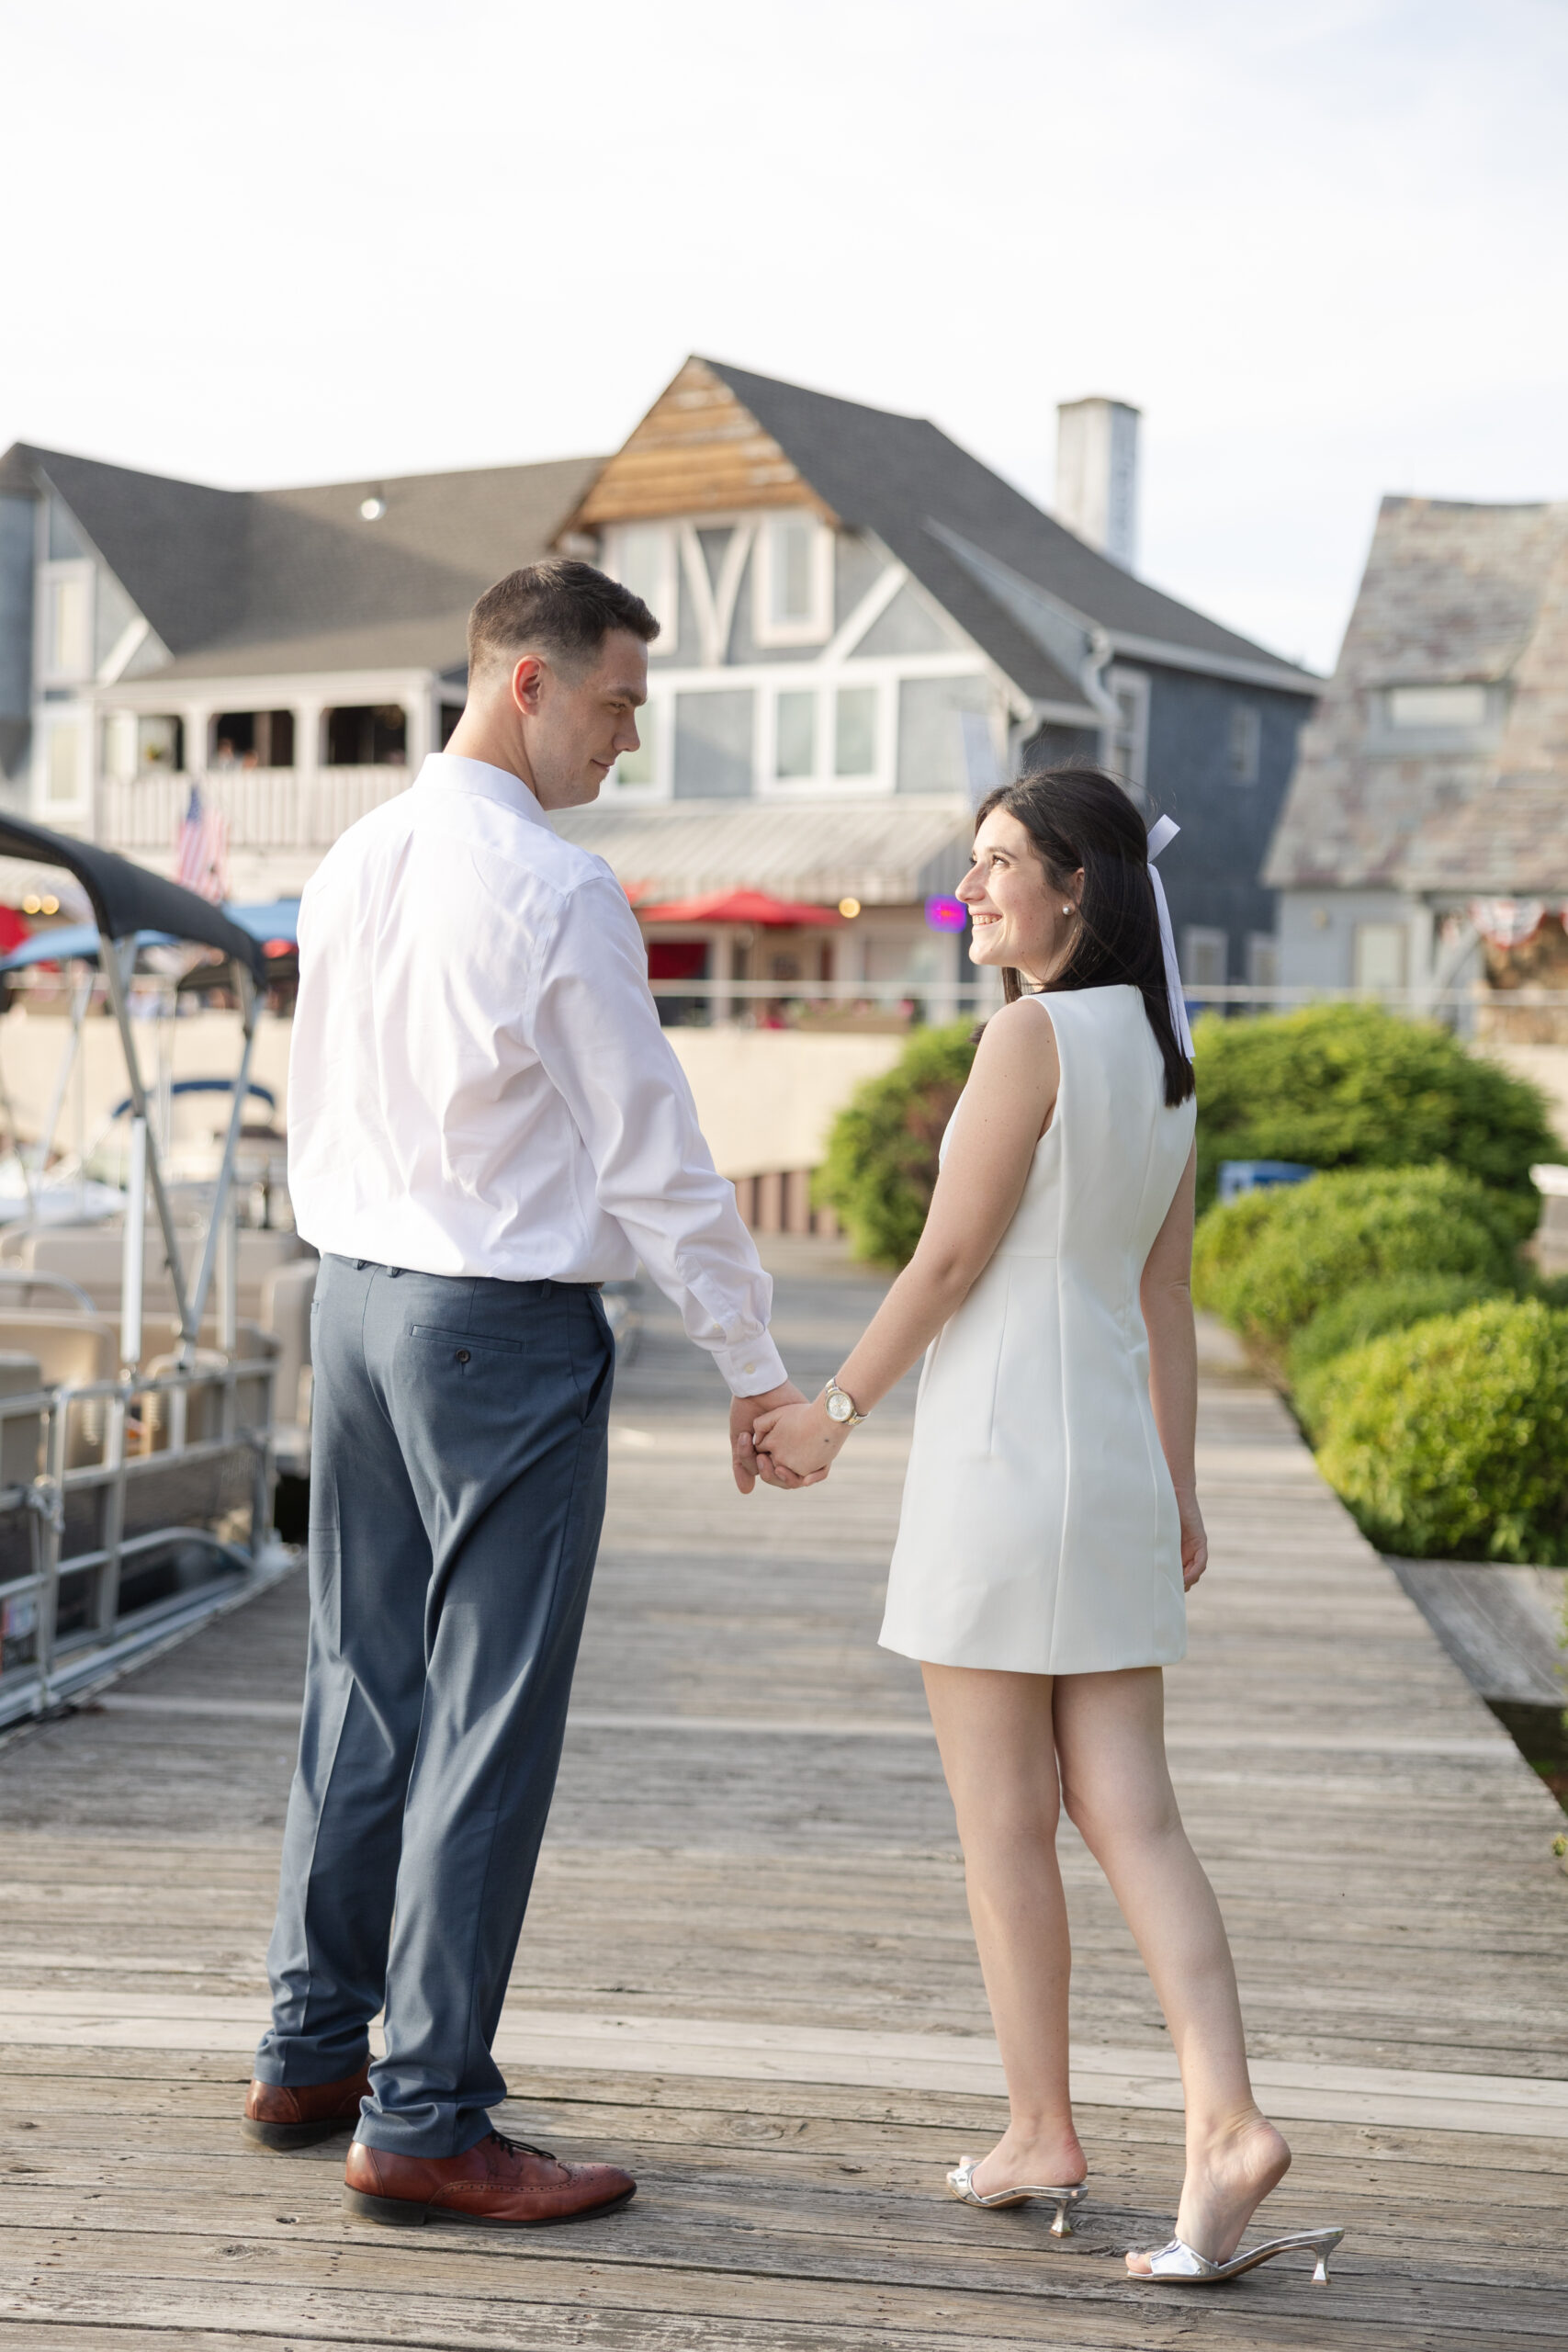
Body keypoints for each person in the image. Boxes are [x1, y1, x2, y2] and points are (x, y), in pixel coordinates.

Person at [244, 560, 806, 2228]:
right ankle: (425, 2116)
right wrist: (756, 1364)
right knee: (489, 1716)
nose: (630, 739)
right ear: (529, 683)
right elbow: (655, 1152)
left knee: (359, 1682)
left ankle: (310, 2048)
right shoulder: (559, 889)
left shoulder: (351, 860)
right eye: (620, 703)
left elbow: (314, 1101)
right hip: (495, 1330)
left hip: (354, 1304)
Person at [755, 769, 1342, 2288]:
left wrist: (831, 1413)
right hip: (1112, 1470)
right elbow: (1166, 1294)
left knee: (1005, 1824)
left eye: (1000, 862)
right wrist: (1179, 1485)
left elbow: (950, 1260)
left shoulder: (1027, 1036)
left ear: (1079, 886)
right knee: (1135, 1814)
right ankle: (1225, 2119)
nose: (971, 889)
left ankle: (1040, 2131)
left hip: (1001, 1462)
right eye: (971, 862)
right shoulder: (1164, 1053)